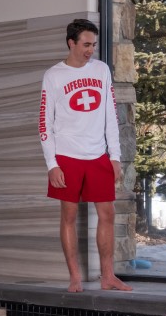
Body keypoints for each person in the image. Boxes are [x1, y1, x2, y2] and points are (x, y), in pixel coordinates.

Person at [39, 18, 131, 293]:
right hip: (66, 157)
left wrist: (114, 156)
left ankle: (108, 276)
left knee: (108, 214)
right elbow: (45, 124)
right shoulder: (53, 76)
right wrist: (52, 164)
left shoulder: (102, 71)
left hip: (98, 156)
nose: (91, 50)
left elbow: (110, 117)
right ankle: (75, 277)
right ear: (72, 43)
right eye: (86, 44)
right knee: (68, 216)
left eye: (93, 44)